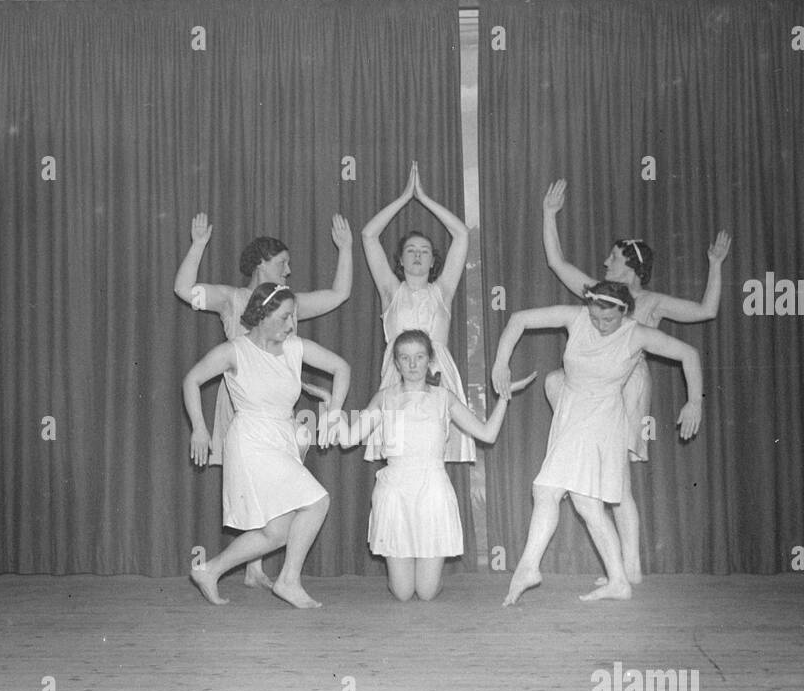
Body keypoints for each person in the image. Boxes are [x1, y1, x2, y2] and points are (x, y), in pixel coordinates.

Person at [541, 178, 730, 583]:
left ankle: (630, 568)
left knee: (619, 483)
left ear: (631, 264)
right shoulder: (599, 293)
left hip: (628, 386)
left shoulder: (650, 302)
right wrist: (548, 215)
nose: (606, 262)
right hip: (588, 389)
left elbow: (706, 310)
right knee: (556, 383)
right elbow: (558, 263)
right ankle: (622, 567)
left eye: (613, 257)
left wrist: (715, 265)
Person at [491, 281, 703, 604]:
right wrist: (500, 363)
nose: (601, 325)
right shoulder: (576, 317)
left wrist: (694, 403)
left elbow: (689, 354)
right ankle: (618, 580)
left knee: (547, 490)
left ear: (625, 311)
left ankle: (528, 566)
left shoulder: (636, 334)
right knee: (586, 504)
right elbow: (518, 319)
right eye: (596, 318)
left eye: (609, 320)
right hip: (571, 412)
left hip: (603, 419)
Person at [175, 212, 353, 589]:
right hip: (241, 399)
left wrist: (346, 249)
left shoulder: (292, 302)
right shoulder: (232, 298)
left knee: (280, 486)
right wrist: (198, 244)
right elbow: (183, 289)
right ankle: (253, 568)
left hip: (281, 402)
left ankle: (253, 567)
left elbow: (339, 295)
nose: (288, 271)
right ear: (260, 263)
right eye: (282, 263)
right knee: (255, 483)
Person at [341, 330, 535, 601]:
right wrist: (332, 405)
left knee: (427, 592)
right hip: (395, 493)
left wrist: (504, 397)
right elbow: (350, 439)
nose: (412, 364)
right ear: (396, 363)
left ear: (430, 360)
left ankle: (430, 576)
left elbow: (487, 434)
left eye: (419, 357)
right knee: (403, 593)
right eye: (405, 358)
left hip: (432, 491)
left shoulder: (444, 398)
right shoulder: (385, 398)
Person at [361, 161, 475, 462]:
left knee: (433, 450)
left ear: (433, 261)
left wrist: (422, 198)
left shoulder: (443, 291)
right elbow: (369, 235)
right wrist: (403, 197)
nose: (417, 256)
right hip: (399, 372)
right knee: (398, 451)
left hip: (437, 372)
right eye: (410, 250)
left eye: (424, 251)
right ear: (399, 259)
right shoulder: (390, 290)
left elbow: (461, 235)